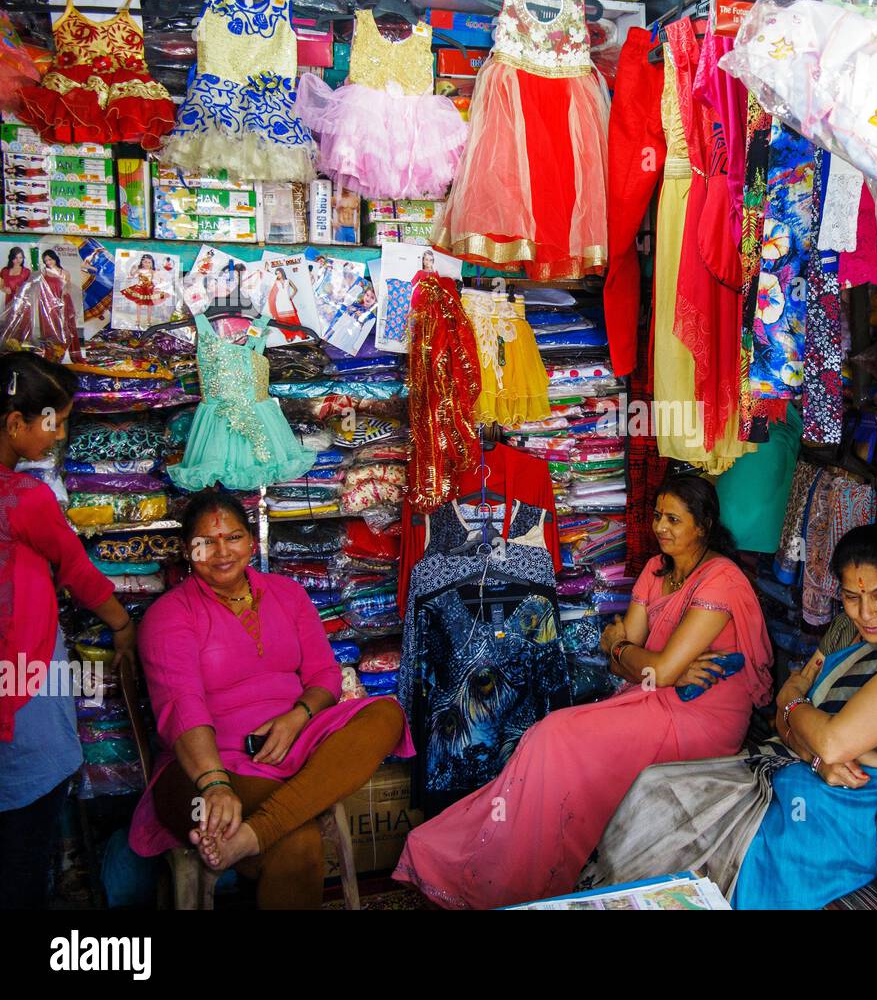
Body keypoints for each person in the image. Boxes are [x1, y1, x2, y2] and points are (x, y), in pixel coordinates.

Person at [393, 474, 774, 908]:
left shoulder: (720, 581)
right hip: (650, 698)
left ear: (703, 526)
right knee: (546, 736)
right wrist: (635, 656)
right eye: (656, 516)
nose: (661, 527)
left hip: (703, 716)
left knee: (555, 736)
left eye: (674, 519)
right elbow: (630, 664)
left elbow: (652, 665)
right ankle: (498, 865)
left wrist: (627, 649)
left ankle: (524, 876)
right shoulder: (656, 569)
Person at [582, 523, 877, 909]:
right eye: (851, 596)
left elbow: (828, 737)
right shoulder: (847, 632)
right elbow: (789, 723)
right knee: (657, 790)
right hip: (797, 769)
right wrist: (810, 746)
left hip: (846, 812)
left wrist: (796, 703)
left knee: (738, 853)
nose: (866, 612)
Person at [127, 489, 414, 909]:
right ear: (188, 550)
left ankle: (250, 835)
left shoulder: (286, 594)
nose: (222, 552)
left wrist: (299, 716)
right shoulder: (171, 615)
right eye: (206, 542)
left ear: (250, 541)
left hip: (293, 745)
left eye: (234, 537)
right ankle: (260, 832)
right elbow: (181, 706)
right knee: (298, 841)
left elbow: (324, 676)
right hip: (208, 764)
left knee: (385, 713)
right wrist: (216, 785)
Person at [0, 353, 136, 909]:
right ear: (15, 424)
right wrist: (123, 624)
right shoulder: (26, 498)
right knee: (24, 831)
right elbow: (76, 570)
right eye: (53, 421)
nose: (59, 435)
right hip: (22, 681)